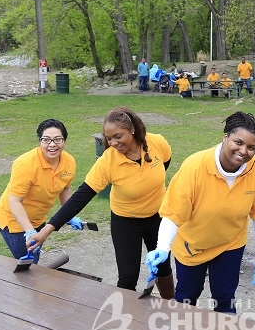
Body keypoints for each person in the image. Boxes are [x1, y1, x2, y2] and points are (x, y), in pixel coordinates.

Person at [27, 108, 175, 297]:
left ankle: (170, 307)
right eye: (108, 138)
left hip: (157, 216)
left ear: (132, 130)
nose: (113, 143)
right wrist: (46, 231)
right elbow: (81, 196)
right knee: (128, 276)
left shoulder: (156, 142)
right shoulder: (108, 161)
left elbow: (165, 162)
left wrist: (147, 183)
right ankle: (125, 318)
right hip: (126, 221)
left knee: (163, 266)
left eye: (117, 136)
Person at [146, 112, 255, 313]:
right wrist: (163, 248)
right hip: (192, 245)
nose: (243, 151)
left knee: (225, 298)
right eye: (238, 142)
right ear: (225, 137)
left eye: (251, 147)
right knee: (186, 298)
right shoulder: (195, 167)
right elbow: (173, 214)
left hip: (230, 243)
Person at [0, 119, 81, 264]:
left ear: (64, 140)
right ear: (39, 141)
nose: (52, 145)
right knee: (29, 265)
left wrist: (69, 214)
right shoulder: (25, 164)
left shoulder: (69, 161)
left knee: (34, 261)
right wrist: (29, 231)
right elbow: (14, 202)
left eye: (58, 139)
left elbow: (65, 189)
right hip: (14, 222)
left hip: (39, 219)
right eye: (46, 140)